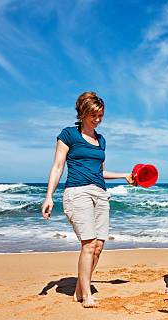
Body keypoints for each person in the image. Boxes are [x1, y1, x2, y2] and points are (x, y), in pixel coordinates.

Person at [41, 91, 136, 308]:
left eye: (101, 115)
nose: (98, 119)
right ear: (82, 113)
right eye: (94, 115)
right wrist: (49, 197)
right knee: (89, 243)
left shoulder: (101, 140)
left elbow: (99, 171)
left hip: (101, 194)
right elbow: (57, 167)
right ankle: (87, 295)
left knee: (99, 246)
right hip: (77, 192)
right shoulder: (68, 135)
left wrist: (123, 175)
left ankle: (78, 290)